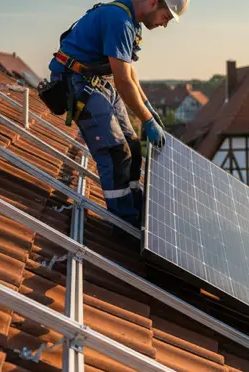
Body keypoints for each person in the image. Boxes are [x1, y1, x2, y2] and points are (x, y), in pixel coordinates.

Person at [42, 0, 189, 230]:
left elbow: (129, 72)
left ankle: (136, 207)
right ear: (153, 2)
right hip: (76, 82)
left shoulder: (132, 22)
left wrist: (147, 107)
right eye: (166, 18)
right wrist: (147, 120)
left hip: (97, 82)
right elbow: (122, 81)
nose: (164, 25)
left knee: (133, 145)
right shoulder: (119, 21)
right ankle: (123, 222)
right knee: (116, 152)